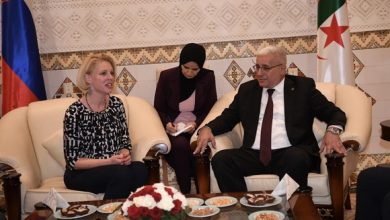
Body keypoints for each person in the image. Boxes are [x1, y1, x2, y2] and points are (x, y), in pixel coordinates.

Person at [194, 45, 347, 192]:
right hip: (254, 155)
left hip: (291, 153)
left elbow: (335, 113)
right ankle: (245, 208)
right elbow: (228, 117)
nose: (259, 73)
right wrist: (207, 128)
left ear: (282, 69)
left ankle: (284, 208)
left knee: (295, 158)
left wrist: (333, 131)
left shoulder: (303, 88)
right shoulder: (247, 90)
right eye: (257, 67)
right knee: (221, 160)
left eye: (265, 68)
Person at [63, 54, 148, 199]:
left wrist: (124, 154)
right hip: (81, 174)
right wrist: (109, 161)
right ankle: (109, 214)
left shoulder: (116, 104)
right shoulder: (74, 112)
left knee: (140, 168)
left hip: (114, 168)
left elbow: (124, 141)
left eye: (112, 73)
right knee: (121, 174)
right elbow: (73, 161)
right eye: (103, 73)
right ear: (88, 78)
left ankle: (133, 212)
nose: (110, 77)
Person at [154, 43, 217, 193]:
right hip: (174, 128)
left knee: (197, 148)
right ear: (180, 63)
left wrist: (197, 124)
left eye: (195, 69)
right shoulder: (166, 76)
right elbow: (159, 108)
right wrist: (167, 123)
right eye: (186, 67)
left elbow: (211, 107)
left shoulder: (208, 77)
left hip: (197, 127)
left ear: (201, 67)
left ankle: (202, 194)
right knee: (181, 147)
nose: (189, 72)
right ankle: (186, 193)